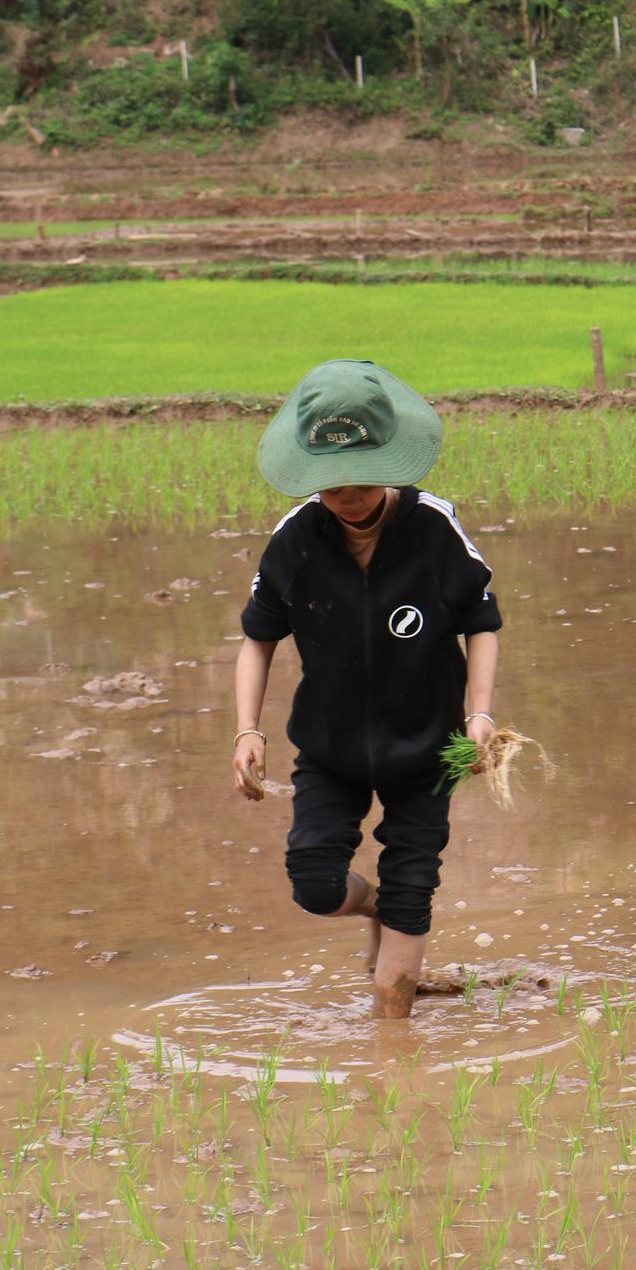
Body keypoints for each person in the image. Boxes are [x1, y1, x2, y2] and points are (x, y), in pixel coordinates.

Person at [232, 359, 503, 1020]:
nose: (347, 498)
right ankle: (374, 902)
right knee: (316, 887)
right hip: (331, 748)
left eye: (358, 482)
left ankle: (392, 1044)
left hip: (427, 750)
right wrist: (247, 729)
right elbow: (257, 640)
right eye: (329, 487)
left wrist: (480, 714)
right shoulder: (294, 541)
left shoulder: (434, 529)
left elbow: (483, 623)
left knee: (414, 892)